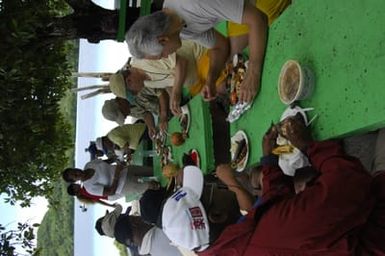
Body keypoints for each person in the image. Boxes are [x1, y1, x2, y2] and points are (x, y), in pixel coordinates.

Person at [196, 116, 385, 255]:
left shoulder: (238, 243)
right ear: (217, 215)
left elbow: (274, 208)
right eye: (212, 186)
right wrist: (308, 145)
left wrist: (270, 162)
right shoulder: (273, 233)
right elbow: (348, 181)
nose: (220, 181)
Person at [126, 0, 291, 103]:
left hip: (255, 8)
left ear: (163, 40)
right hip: (244, 7)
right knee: (236, 56)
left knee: (271, 36)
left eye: (161, 54)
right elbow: (220, 47)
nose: (167, 56)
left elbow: (257, 18)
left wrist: (254, 71)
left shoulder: (193, 4)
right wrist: (211, 80)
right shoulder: (180, 28)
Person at [129, 40, 229, 115]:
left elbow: (181, 63)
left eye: (134, 91)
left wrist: (176, 92)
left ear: (129, 81)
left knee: (220, 87)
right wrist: (172, 98)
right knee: (200, 104)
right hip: (195, 80)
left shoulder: (145, 60)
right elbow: (167, 83)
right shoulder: (145, 83)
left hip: (199, 56)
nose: (138, 93)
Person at [95, 204, 183, 256]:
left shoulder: (144, 251)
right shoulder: (167, 228)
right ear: (134, 222)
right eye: (133, 216)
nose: (138, 215)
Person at [109, 70, 170, 137]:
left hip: (173, 100)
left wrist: (163, 115)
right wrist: (150, 127)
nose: (126, 116)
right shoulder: (129, 110)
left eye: (122, 113)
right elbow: (145, 114)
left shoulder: (136, 85)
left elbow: (161, 92)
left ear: (119, 102)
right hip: (168, 114)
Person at [62, 159, 158, 201]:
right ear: (75, 181)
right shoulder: (89, 188)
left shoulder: (89, 164)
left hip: (126, 169)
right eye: (74, 176)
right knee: (153, 185)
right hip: (125, 185)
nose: (77, 173)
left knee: (154, 170)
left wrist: (114, 159)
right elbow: (111, 192)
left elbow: (105, 162)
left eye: (74, 170)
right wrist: (116, 174)